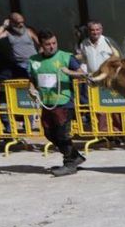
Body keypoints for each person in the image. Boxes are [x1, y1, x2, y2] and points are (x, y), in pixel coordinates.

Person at [27, 30, 87, 176]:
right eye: (48, 44)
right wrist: (31, 90)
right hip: (46, 102)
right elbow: (32, 80)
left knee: (62, 134)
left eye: (54, 43)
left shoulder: (66, 57)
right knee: (49, 133)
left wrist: (69, 72)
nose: (52, 46)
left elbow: (82, 73)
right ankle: (75, 156)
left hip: (63, 102)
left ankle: (69, 164)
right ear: (41, 45)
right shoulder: (34, 60)